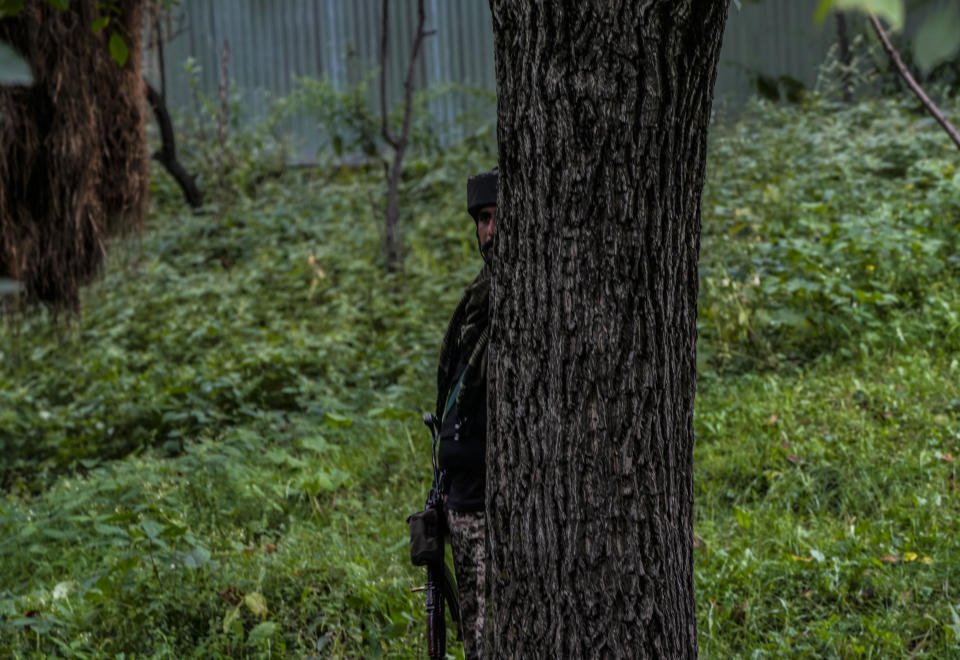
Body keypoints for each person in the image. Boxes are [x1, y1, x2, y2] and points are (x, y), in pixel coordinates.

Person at [434, 168, 496, 659]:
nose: (490, 230)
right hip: (461, 499)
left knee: (491, 636)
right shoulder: (479, 299)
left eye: (498, 218)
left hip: (489, 503)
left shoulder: (516, 305)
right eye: (483, 219)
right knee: (473, 635)